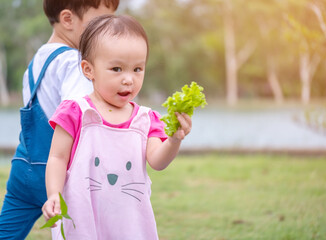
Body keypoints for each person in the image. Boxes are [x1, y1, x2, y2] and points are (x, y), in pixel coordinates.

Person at [41, 14, 192, 239]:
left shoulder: (145, 119)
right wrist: (53, 193)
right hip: (84, 218)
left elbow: (157, 161)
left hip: (130, 224)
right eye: (117, 69)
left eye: (137, 69)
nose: (129, 79)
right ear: (88, 69)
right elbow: (57, 158)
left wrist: (174, 140)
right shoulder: (75, 111)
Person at [0, 1, 119, 239]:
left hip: (24, 168)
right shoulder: (74, 63)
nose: (107, 31)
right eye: (101, 23)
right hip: (59, 174)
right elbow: (81, 116)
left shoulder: (37, 60)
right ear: (67, 19)